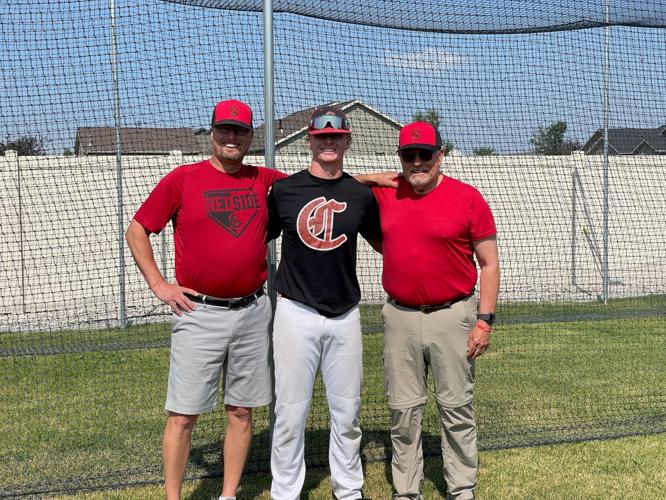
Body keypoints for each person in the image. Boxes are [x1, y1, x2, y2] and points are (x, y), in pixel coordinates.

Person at [125, 99, 286, 500]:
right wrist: (160, 285)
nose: (231, 138)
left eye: (240, 131)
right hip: (199, 311)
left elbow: (320, 183)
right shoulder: (183, 178)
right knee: (183, 416)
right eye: (224, 130)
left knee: (242, 410)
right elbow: (137, 230)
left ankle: (228, 495)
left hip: (253, 311)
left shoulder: (264, 179)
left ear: (251, 137)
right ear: (212, 133)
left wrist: (375, 179)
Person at [372, 121, 500, 500]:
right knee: (403, 411)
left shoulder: (467, 197)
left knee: (456, 407)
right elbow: (348, 179)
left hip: (453, 315)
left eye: (424, 154)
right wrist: (384, 178)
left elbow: (489, 264)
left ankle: (461, 488)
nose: (416, 163)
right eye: (407, 155)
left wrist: (484, 322)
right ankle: (406, 490)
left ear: (439, 155)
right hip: (400, 317)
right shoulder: (388, 194)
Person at [267, 106, 382, 500]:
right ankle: (285, 492)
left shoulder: (360, 194)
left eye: (336, 136)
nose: (328, 142)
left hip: (345, 313)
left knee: (347, 413)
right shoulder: (284, 191)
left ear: (348, 140)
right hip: (296, 311)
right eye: (321, 138)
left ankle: (348, 490)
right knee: (289, 414)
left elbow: (386, 243)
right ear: (309, 142)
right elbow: (253, 239)